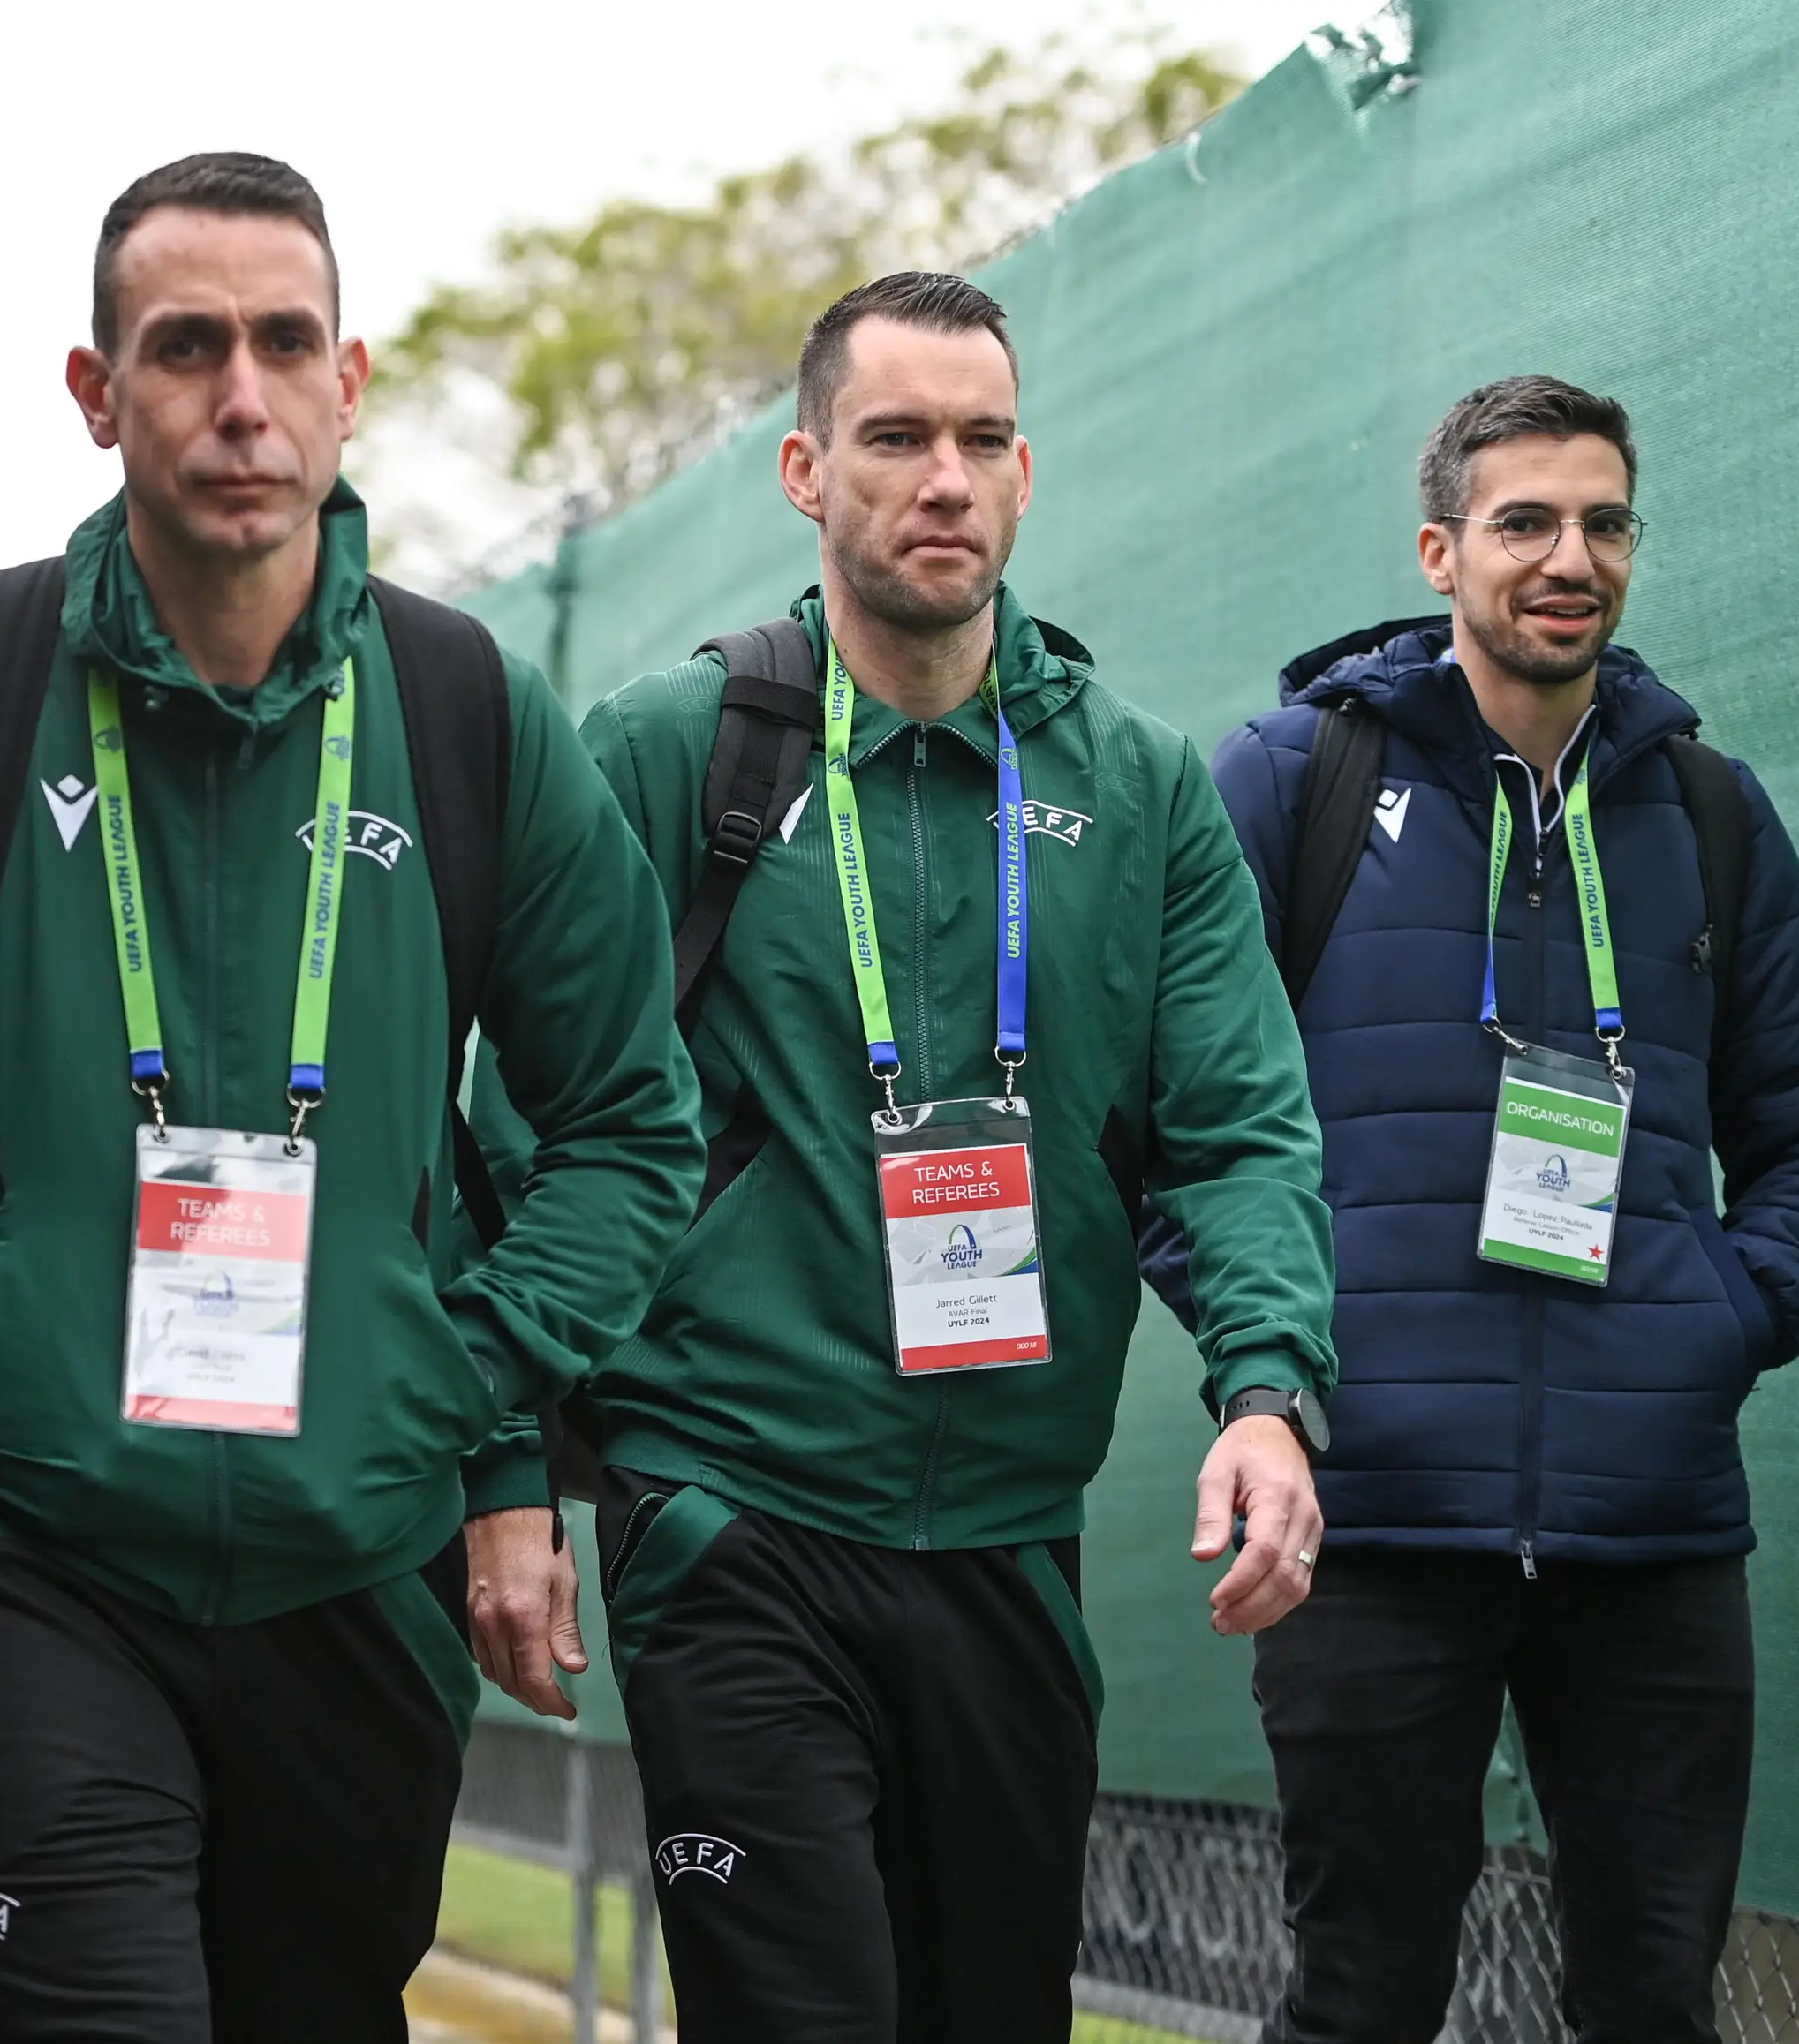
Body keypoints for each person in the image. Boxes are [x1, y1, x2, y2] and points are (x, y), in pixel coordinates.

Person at [0, 152, 700, 2044]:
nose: (240, 396)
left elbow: (628, 1118)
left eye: (283, 342)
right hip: (38, 1556)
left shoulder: (477, 713)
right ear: (98, 392)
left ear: (351, 380)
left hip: (361, 1569)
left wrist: (467, 1374)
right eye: (185, 348)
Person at [559, 269, 1341, 2044]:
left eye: (982, 439)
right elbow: (536, 1129)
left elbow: (1239, 1126)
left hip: (1007, 1534)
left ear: (1026, 471)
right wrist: (517, 1464)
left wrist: (1271, 1389)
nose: (944, 479)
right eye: (897, 437)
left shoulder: (1132, 792)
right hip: (734, 1509)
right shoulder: (673, 757)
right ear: (803, 470)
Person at [1184, 375, 1799, 2044]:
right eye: (1524, 522)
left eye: (1603, 521)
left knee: (1653, 2001)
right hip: (1365, 1519)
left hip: (1652, 1539)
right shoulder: (1294, 784)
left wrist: (1722, 1320)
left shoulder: (1709, 812)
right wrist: (1273, 1371)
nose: (1568, 556)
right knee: (1363, 1999)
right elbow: (1171, 1127)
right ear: (1442, 550)